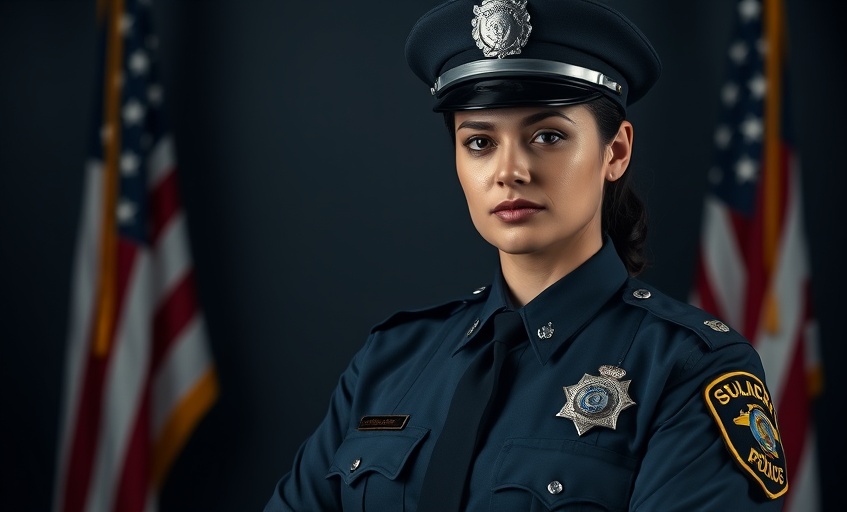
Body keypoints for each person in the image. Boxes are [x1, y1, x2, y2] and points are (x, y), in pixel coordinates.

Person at [264, 0, 788, 510]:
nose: (509, 171)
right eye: (479, 142)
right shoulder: (389, 361)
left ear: (616, 151)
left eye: (547, 135)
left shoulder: (689, 370)